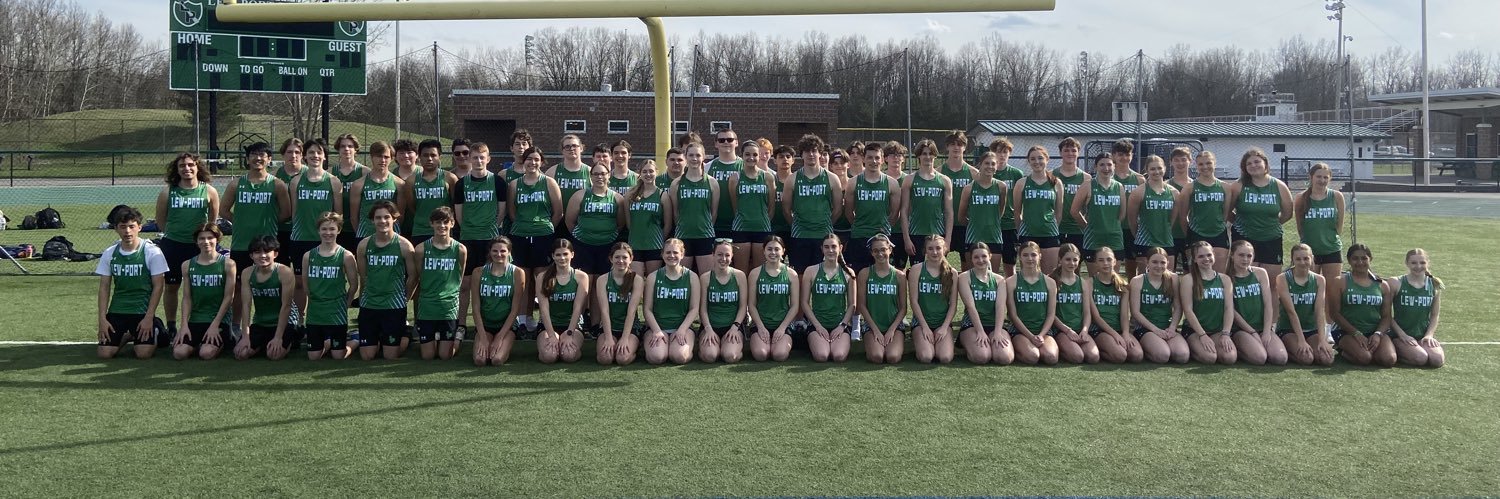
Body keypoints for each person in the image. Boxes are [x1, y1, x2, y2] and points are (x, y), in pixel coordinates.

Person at [220, 142, 290, 329]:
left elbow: (286, 212)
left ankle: (275, 324)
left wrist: (269, 223)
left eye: (262, 155)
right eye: (253, 154)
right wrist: (241, 222)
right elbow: (224, 210)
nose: (258, 158)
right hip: (242, 245)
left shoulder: (277, 185)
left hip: (268, 247)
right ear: (247, 158)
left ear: (268, 159)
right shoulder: (237, 183)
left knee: (273, 287)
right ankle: (235, 326)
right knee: (238, 287)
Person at [154, 152, 219, 341]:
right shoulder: (168, 192)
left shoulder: (209, 191)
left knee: (199, 287)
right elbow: (161, 221)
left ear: (198, 167)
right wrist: (176, 235)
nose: (187, 169)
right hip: (173, 245)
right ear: (177, 169)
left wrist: (202, 240)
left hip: (199, 247)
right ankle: (172, 325)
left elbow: (213, 221)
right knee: (172, 286)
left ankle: (199, 322)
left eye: (191, 165)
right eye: (182, 166)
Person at [96, 206, 168, 359]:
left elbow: (158, 286)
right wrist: (102, 319)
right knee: (105, 354)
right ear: (116, 229)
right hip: (118, 310)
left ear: (139, 227)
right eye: (122, 227)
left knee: (143, 354)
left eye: (131, 226)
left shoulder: (152, 252)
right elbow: (104, 287)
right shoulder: (110, 253)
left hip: (141, 312)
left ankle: (156, 327)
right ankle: (129, 334)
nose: (127, 231)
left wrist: (149, 317)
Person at [452, 141, 505, 341]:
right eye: (475, 157)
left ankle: (489, 324)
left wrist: (490, 228)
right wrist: (471, 228)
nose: (479, 160)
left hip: (490, 239)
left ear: (488, 159)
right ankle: (462, 324)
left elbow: (502, 210)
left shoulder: (497, 182)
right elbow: (459, 215)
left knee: (489, 284)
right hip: (468, 238)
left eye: (482, 157)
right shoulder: (461, 183)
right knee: (465, 284)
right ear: (469, 159)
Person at [507, 146, 564, 333]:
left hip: (543, 235)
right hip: (520, 235)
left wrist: (545, 228)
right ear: (523, 161)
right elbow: (512, 212)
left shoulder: (549, 182)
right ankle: (524, 319)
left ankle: (544, 320)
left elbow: (558, 212)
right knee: (523, 280)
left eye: (536, 159)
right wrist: (525, 226)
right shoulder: (515, 184)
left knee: (542, 279)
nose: (532, 162)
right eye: (529, 159)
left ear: (542, 162)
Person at [288, 142, 343, 330]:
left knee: (324, 279)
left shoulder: (333, 181)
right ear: (305, 156)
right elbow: (294, 212)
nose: (315, 156)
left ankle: (326, 318)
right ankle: (300, 320)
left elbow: (338, 215)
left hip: (324, 239)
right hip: (300, 238)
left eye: (319, 153)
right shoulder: (296, 181)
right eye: (311, 153)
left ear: (325, 156)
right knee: (299, 282)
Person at [355, 200, 417, 360]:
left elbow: (413, 276)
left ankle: (406, 335)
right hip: (370, 304)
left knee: (390, 356)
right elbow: (364, 276)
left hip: (393, 306)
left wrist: (404, 299)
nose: (382, 221)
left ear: (394, 219)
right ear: (372, 220)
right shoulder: (363, 245)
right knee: (367, 356)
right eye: (378, 217)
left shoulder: (404, 246)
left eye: (386, 217)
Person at [1226, 148, 1294, 292]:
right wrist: (1238, 222)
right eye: (1249, 163)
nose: (1253, 165)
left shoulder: (1279, 186)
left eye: (1257, 161)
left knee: (1271, 285)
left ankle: (1271, 315)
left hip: (1271, 239)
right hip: (1244, 238)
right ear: (1244, 168)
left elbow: (1288, 213)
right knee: (1244, 283)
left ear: (1265, 164)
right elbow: (1226, 211)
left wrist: (1270, 225)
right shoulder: (1238, 186)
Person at [300, 213, 360, 360]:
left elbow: (354, 284)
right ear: (318, 230)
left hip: (336, 312)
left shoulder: (346, 255)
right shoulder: (309, 255)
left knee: (338, 356)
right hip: (316, 312)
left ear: (338, 230)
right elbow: (305, 283)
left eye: (332, 229)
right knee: (314, 357)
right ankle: (327, 342)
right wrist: (313, 298)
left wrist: (346, 302)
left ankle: (355, 340)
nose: (328, 233)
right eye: (324, 229)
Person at [174, 223, 236, 360]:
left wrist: (215, 325)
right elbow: (187, 298)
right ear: (196, 241)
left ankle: (226, 338)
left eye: (210, 238)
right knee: (179, 353)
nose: (206, 242)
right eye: (202, 238)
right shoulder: (187, 265)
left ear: (217, 239)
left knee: (206, 354)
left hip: (219, 320)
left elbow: (228, 298)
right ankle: (199, 341)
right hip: (197, 319)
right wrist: (184, 325)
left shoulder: (228, 264)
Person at [412, 207, 467, 360]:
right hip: (427, 305)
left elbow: (459, 276)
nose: (442, 226)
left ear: (452, 223)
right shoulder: (421, 249)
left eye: (445, 222)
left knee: (445, 356)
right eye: (438, 222)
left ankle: (458, 337)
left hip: (448, 306)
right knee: (428, 356)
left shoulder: (460, 249)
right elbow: (419, 275)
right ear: (431, 224)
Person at [1329, 244, 1396, 367]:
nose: (1360, 262)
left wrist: (1377, 334)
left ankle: (1369, 350)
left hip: (1373, 331)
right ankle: (1343, 350)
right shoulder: (1340, 281)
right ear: (1349, 260)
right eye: (1355, 258)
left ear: (1370, 259)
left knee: (1389, 359)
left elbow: (1386, 317)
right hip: (1346, 331)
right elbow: (1334, 313)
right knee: (1365, 358)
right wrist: (1356, 333)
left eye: (1364, 258)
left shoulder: (1382, 285)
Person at [784, 135, 844, 271]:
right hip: (800, 235)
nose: (811, 154)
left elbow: (838, 208)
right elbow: (786, 210)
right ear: (802, 154)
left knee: (823, 274)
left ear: (820, 154)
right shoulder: (792, 179)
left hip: (823, 236)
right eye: (807, 151)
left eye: (814, 151)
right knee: (800, 275)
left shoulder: (832, 178)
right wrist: (797, 225)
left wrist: (826, 223)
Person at [234, 235, 298, 360]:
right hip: (261, 322)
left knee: (274, 355)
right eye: (257, 252)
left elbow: (286, 306)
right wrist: (245, 336)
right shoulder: (247, 273)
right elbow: (246, 305)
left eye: (267, 251)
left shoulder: (284, 272)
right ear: (251, 256)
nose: (263, 256)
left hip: (285, 321)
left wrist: (278, 337)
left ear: (275, 254)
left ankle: (292, 337)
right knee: (240, 354)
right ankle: (263, 342)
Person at [1226, 240, 1286, 365]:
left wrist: (1266, 331)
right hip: (1240, 329)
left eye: (1249, 256)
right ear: (1232, 256)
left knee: (1280, 358)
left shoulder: (1260, 273)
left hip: (1262, 327)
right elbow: (1231, 310)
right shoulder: (1226, 277)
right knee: (1260, 358)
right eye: (1241, 255)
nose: (1245, 259)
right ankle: (1240, 347)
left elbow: (1268, 305)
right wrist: (1252, 332)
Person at [1275, 244, 1335, 366]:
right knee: (1306, 358)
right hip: (1289, 329)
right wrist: (1301, 340)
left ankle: (1309, 347)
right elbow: (1291, 312)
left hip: (1311, 329)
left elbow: (1319, 311)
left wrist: (1322, 340)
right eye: (1298, 259)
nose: (1302, 262)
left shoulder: (1319, 280)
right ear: (1292, 259)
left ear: (1312, 258)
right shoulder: (1283, 278)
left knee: (1327, 359)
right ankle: (1286, 348)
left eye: (1306, 258)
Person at [644, 238, 700, 365]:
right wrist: (657, 331)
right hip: (658, 327)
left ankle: (675, 346)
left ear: (682, 254)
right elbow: (647, 309)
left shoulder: (692, 277)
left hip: (682, 328)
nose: (672, 256)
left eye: (675, 252)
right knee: (657, 358)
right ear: (662, 254)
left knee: (680, 357)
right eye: (668, 252)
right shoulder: (653, 277)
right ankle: (660, 345)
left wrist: (682, 329)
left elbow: (694, 308)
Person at [471, 236, 526, 366]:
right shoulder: (478, 272)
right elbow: (475, 307)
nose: (499, 254)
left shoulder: (517, 273)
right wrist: (483, 336)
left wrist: (500, 337)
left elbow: (515, 309)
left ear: (509, 252)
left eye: (503, 251)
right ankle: (486, 339)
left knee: (497, 360)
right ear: (490, 252)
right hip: (485, 325)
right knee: (480, 360)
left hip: (507, 326)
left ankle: (503, 342)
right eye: (495, 251)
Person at [1178, 241, 1235, 364]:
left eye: (1209, 255)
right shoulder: (1188, 279)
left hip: (1217, 330)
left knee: (1229, 358)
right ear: (1194, 259)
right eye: (1201, 256)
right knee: (1209, 358)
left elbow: (1228, 308)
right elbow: (1188, 310)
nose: (1206, 259)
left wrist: (1226, 333)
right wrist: (1202, 335)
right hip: (1195, 331)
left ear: (1214, 255)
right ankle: (1190, 346)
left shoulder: (1224, 279)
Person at [802, 234, 855, 363]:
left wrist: (842, 326)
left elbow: (852, 305)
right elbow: (804, 302)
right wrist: (818, 326)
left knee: (838, 356)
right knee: (822, 356)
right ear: (822, 249)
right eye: (826, 247)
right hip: (817, 323)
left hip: (839, 324)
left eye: (833, 246)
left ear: (840, 248)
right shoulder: (811, 271)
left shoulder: (848, 272)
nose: (830, 250)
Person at [1130, 247, 1189, 364]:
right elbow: (1135, 312)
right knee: (1163, 355)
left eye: (1162, 262)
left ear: (1168, 263)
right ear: (1147, 262)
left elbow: (1178, 307)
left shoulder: (1173, 278)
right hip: (1146, 328)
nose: (1159, 266)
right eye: (1154, 262)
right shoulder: (1137, 280)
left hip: (1167, 327)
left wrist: (1172, 328)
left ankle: (1160, 344)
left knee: (1182, 356)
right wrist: (1155, 330)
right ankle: (1146, 347)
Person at [902, 139, 955, 267]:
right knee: (916, 271)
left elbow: (949, 212)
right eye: (924, 153)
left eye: (930, 153)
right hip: (916, 233)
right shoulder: (909, 180)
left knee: (939, 272)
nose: (927, 157)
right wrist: (907, 239)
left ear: (935, 155)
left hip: (938, 233)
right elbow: (903, 211)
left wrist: (947, 239)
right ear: (918, 156)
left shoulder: (944, 180)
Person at [566, 163, 626, 276]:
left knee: (602, 281)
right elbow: (570, 221)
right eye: (596, 174)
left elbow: (620, 223)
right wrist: (583, 235)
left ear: (609, 175)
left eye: (603, 174)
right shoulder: (579, 195)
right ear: (591, 176)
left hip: (607, 245)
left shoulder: (617, 198)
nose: (599, 177)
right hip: (583, 245)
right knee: (585, 281)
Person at [1389, 248, 1446, 368]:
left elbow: (1435, 315)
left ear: (1428, 263)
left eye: (1422, 262)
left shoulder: (1434, 284)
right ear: (1407, 263)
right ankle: (1395, 348)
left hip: (1422, 335)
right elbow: (1386, 314)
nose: (1418, 266)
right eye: (1414, 263)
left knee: (1437, 360)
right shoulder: (1396, 282)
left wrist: (1429, 335)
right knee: (1421, 358)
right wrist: (1402, 335)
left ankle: (1417, 347)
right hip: (1400, 335)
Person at [847, 143, 899, 273]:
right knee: (858, 276)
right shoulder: (853, 182)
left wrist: (884, 227)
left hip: (882, 237)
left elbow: (895, 213)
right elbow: (848, 211)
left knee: (881, 275)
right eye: (869, 157)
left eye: (877, 158)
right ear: (863, 159)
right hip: (859, 236)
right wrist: (860, 225)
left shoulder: (892, 183)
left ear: (882, 159)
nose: (873, 161)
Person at [957, 243, 1012, 365]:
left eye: (984, 256)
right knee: (982, 357)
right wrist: (980, 331)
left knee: (1004, 358)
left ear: (990, 256)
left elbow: (1000, 307)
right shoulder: (964, 277)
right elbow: (971, 307)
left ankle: (992, 345)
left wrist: (998, 332)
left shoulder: (999, 280)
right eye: (976, 257)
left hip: (994, 324)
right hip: (972, 324)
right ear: (971, 259)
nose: (980, 260)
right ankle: (969, 344)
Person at [1070, 154, 1125, 276]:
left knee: (1113, 278)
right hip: (1094, 238)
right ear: (1096, 167)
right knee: (1095, 279)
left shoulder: (1118, 186)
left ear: (1114, 166)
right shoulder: (1088, 185)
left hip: (1115, 238)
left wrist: (1112, 226)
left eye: (1109, 164)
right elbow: (1074, 211)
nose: (1106, 168)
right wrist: (1087, 227)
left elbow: (1122, 213)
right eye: (1102, 165)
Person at [534, 239, 587, 363]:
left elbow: (578, 308)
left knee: (569, 356)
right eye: (558, 254)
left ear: (572, 255)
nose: (562, 258)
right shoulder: (543, 276)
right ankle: (548, 348)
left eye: (565, 254)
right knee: (549, 357)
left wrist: (569, 333)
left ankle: (567, 347)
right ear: (553, 256)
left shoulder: (581, 277)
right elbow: (544, 309)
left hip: (572, 325)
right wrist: (552, 335)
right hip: (548, 325)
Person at [1012, 146, 1063, 273]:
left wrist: (1051, 226)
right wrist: (1021, 231)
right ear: (1028, 161)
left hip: (1049, 234)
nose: (1037, 162)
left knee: (1050, 275)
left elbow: (1059, 211)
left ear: (1047, 159)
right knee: (1029, 273)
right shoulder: (1022, 183)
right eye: (1033, 159)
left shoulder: (1056, 183)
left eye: (1040, 158)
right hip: (1027, 234)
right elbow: (1017, 212)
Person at [748, 236, 800, 362]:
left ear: (783, 251)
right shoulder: (755, 273)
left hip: (782, 324)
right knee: (761, 355)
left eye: (777, 249)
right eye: (769, 249)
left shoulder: (791, 274)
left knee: (779, 355)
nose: (773, 253)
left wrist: (782, 328)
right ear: (764, 251)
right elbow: (751, 305)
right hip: (761, 323)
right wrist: (760, 327)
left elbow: (794, 306)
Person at [906, 236, 957, 364]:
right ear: (925, 251)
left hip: (942, 323)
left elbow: (953, 305)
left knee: (945, 358)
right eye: (930, 248)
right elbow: (914, 301)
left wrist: (944, 327)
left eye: (938, 248)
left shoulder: (952, 273)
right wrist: (924, 327)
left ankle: (939, 343)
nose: (934, 252)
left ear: (944, 249)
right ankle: (919, 341)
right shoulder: (916, 270)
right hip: (922, 323)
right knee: (926, 357)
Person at [1178, 150, 1230, 273]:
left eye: (1208, 163)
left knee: (1219, 274)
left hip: (1218, 234)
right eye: (1201, 164)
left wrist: (1218, 225)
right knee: (1196, 275)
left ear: (1214, 164)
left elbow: (1225, 213)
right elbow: (1182, 216)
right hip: (1196, 233)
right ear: (1196, 166)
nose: (1205, 167)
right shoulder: (1189, 187)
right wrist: (1190, 233)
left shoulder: (1225, 187)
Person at [1007, 241, 1059, 365]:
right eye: (1025, 255)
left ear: (1040, 256)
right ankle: (1018, 348)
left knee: (1051, 358)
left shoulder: (1050, 282)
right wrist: (1030, 336)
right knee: (1033, 357)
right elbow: (1012, 315)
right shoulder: (1011, 282)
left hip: (1043, 331)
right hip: (1020, 330)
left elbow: (1051, 314)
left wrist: (1041, 335)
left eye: (1033, 255)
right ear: (1020, 257)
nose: (1030, 258)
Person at [670, 142, 720, 271]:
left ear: (703, 157)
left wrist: (705, 225)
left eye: (698, 155)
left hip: (705, 235)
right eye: (691, 155)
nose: (694, 159)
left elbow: (714, 212)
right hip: (683, 235)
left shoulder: (712, 182)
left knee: (706, 276)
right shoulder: (676, 184)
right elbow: (675, 213)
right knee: (682, 277)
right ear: (686, 157)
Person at [1294, 162, 1346, 283]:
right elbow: (1300, 226)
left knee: (1332, 290)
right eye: (1318, 176)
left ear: (1330, 178)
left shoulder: (1336, 196)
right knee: (1311, 287)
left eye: (1325, 177)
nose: (1322, 180)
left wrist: (1330, 238)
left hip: (1332, 250)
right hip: (1310, 252)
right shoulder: (1301, 198)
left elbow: (1339, 226)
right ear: (1311, 177)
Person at [730, 140, 776, 272]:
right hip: (741, 228)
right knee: (741, 271)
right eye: (747, 154)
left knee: (758, 272)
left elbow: (771, 206)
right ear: (742, 156)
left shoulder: (768, 177)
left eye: (755, 155)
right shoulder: (735, 178)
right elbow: (735, 205)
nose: (751, 158)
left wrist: (764, 219)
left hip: (762, 228)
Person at [1088, 247, 1141, 363]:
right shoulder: (1090, 283)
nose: (1105, 263)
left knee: (1137, 355)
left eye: (1108, 259)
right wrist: (1115, 335)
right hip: (1099, 329)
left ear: (1114, 261)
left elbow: (1124, 315)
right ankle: (1099, 349)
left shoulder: (1123, 286)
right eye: (1101, 260)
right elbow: (1096, 317)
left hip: (1119, 329)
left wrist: (1125, 334)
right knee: (1120, 356)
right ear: (1096, 263)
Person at [403, 138, 459, 247]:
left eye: (433, 155)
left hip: (444, 230)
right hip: (420, 230)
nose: (429, 159)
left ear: (439, 157)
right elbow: (412, 206)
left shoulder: (450, 178)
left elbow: (454, 204)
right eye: (425, 155)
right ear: (419, 157)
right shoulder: (411, 181)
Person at [699, 241, 748, 363]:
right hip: (711, 325)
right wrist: (708, 329)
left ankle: (734, 348)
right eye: (720, 254)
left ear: (732, 256)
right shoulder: (705, 278)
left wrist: (735, 327)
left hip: (733, 326)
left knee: (730, 356)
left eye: (727, 255)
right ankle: (702, 347)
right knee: (710, 356)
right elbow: (703, 309)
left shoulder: (739, 276)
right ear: (713, 255)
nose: (723, 258)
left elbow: (743, 307)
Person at [595, 242, 644, 365]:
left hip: (630, 328)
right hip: (609, 327)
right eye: (617, 257)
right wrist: (608, 337)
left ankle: (635, 347)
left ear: (631, 259)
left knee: (622, 359)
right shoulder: (602, 279)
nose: (621, 260)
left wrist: (625, 338)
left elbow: (631, 312)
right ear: (611, 259)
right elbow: (604, 311)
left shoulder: (637, 280)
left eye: (624, 257)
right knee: (605, 359)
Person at [1050, 244, 1099, 364]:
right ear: (1060, 260)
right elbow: (1050, 313)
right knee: (1077, 357)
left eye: (1075, 260)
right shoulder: (1052, 281)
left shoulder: (1082, 283)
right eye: (1067, 259)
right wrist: (1067, 331)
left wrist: (1085, 330)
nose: (1071, 263)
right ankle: (1059, 347)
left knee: (1093, 357)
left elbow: (1087, 313)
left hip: (1079, 329)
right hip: (1061, 330)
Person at [1128, 155, 1178, 274]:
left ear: (1165, 168)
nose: (1157, 172)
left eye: (1159, 168)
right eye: (1153, 169)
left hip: (1166, 241)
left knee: (1168, 279)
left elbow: (1172, 220)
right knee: (1144, 278)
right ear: (1147, 170)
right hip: (1144, 242)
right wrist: (1140, 235)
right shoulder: (1138, 192)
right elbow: (1132, 220)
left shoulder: (1174, 193)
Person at [960, 151, 1007, 272]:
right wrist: (975, 224)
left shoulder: (1001, 187)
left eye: (993, 164)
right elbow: (961, 216)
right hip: (973, 237)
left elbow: (1000, 211)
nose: (990, 166)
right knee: (972, 277)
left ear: (996, 166)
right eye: (986, 163)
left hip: (994, 237)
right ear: (980, 164)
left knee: (992, 277)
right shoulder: (969, 188)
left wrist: (991, 222)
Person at [350, 141, 406, 240]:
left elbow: (400, 215)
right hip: (365, 234)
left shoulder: (399, 184)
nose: (383, 160)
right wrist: (361, 233)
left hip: (391, 236)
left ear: (392, 159)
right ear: (372, 157)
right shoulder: (358, 184)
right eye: (379, 156)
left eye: (386, 157)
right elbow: (354, 217)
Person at [626, 160, 671, 277]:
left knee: (652, 280)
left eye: (651, 171)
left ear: (656, 172)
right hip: (635, 244)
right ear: (640, 174)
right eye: (644, 171)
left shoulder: (662, 195)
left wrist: (658, 239)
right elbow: (628, 221)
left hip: (654, 246)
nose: (648, 174)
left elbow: (668, 224)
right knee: (636, 281)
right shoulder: (631, 194)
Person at [939, 131, 976, 266]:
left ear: (965, 147)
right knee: (940, 267)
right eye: (952, 144)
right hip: (943, 226)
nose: (956, 147)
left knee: (968, 267)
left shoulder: (973, 173)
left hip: (965, 226)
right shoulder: (939, 172)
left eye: (959, 144)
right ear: (947, 147)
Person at [1110, 139, 1147, 276]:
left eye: (1127, 154)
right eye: (1120, 154)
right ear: (1114, 156)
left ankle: (1132, 293)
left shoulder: (1139, 179)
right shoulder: (1108, 177)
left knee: (1132, 265)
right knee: (1113, 264)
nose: (1124, 158)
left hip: (1132, 228)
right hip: (1113, 227)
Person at [990, 138, 1026, 276]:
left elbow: (1021, 200)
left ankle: (1009, 296)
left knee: (1009, 266)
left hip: (1009, 225)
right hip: (991, 225)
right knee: (990, 266)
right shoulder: (986, 172)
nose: (1002, 155)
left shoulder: (1016, 174)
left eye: (1005, 152)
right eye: (998, 152)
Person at [273, 138, 309, 262]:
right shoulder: (274, 176)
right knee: (280, 267)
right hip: (280, 229)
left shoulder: (311, 174)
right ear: (283, 154)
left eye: (297, 152)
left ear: (302, 155)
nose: (293, 156)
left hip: (304, 230)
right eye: (289, 152)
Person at [548, 135, 591, 236]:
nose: (571, 148)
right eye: (567, 146)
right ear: (562, 150)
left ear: (581, 148)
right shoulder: (552, 172)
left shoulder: (590, 172)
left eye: (575, 146)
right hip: (558, 222)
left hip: (581, 222)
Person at [331, 134, 369, 249]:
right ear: (338, 149)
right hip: (337, 227)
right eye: (342, 146)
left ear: (356, 149)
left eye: (350, 146)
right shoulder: (330, 173)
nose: (346, 149)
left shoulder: (365, 172)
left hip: (358, 226)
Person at [1054, 137, 1092, 252]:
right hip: (1056, 228)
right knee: (1054, 264)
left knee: (1075, 264)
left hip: (1078, 228)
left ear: (1078, 152)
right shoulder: (1051, 175)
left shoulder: (1086, 178)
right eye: (1066, 150)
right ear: (1060, 152)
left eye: (1073, 150)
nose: (1070, 153)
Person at [707, 128, 744, 243]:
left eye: (730, 139)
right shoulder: (707, 167)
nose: (726, 142)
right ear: (716, 144)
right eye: (722, 140)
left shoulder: (745, 166)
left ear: (736, 143)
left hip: (739, 224)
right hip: (714, 224)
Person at [881, 141, 912, 268]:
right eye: (892, 155)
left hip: (902, 230)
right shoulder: (880, 179)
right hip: (883, 230)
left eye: (899, 155)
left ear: (903, 159)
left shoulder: (908, 179)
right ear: (886, 158)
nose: (896, 158)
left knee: (900, 268)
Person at [1165, 147, 1195, 270]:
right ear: (1171, 162)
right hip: (1169, 235)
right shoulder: (1165, 186)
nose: (1180, 163)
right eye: (1176, 160)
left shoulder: (1196, 185)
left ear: (1190, 161)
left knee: (1191, 271)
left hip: (1190, 234)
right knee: (1168, 274)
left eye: (1183, 160)